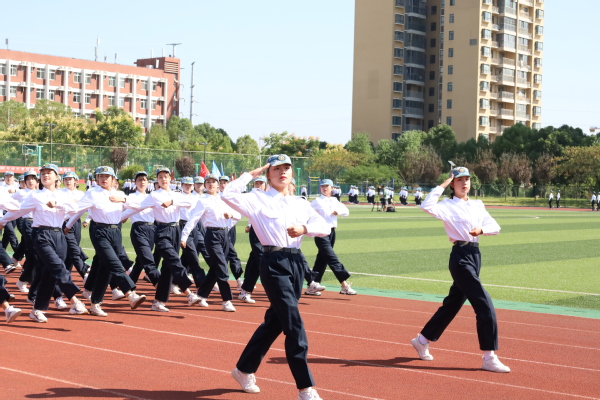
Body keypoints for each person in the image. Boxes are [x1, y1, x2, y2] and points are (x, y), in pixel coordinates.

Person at [222, 154, 330, 400]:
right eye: (276, 168)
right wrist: (251, 174)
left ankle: (243, 369)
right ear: (268, 174)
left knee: (276, 322)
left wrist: (304, 229)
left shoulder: (300, 203)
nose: (282, 172)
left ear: (292, 173)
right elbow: (227, 194)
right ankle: (305, 388)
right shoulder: (256, 198)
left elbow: (324, 227)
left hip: (296, 263)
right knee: (294, 323)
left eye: (286, 168)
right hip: (272, 262)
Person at [412, 166, 509, 373]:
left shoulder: (477, 204)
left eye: (467, 179)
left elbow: (495, 227)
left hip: (475, 254)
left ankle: (422, 340)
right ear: (452, 184)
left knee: (453, 304)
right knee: (484, 305)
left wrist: (482, 229)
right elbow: (426, 205)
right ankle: (489, 357)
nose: (464, 183)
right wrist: (443, 183)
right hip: (460, 257)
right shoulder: (446, 205)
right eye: (459, 180)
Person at [0, 164, 89, 323]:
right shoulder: (35, 195)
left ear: (56, 177)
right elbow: (20, 210)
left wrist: (58, 204)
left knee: (50, 275)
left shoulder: (63, 195)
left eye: (49, 173)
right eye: (43, 173)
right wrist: (2, 221)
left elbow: (75, 209)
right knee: (58, 267)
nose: (45, 175)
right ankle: (74, 300)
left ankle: (36, 310)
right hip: (41, 235)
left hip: (59, 235)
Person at [65, 166, 146, 317]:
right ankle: (130, 293)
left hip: (116, 232)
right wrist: (68, 225)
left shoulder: (120, 194)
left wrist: (124, 200)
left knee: (105, 269)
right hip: (99, 232)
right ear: (96, 178)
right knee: (114, 263)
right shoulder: (92, 193)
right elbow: (78, 209)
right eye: (100, 176)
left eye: (107, 176)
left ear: (113, 179)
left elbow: (140, 206)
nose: (104, 179)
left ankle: (95, 304)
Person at [122, 167, 202, 312]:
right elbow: (138, 207)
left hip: (176, 230)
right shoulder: (154, 195)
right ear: (157, 181)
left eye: (166, 176)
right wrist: (120, 217)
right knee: (174, 260)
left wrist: (172, 202)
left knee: (167, 268)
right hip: (162, 231)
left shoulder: (176, 194)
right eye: (160, 177)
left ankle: (158, 302)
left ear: (170, 178)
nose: (163, 179)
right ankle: (189, 293)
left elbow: (189, 203)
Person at [181, 174, 240, 312]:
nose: (211, 184)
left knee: (215, 268)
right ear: (205, 185)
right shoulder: (202, 201)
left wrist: (231, 216)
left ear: (218, 184)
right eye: (208, 182)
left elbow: (237, 215)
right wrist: (184, 236)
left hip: (224, 235)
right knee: (222, 267)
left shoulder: (224, 199)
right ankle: (226, 300)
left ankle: (201, 295)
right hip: (212, 235)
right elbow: (193, 220)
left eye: (214, 182)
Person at [309, 179, 356, 295]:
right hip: (321, 232)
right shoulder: (317, 201)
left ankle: (312, 285)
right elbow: (306, 212)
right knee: (331, 258)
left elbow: (346, 212)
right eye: (322, 186)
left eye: (327, 186)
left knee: (322, 259)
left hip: (331, 232)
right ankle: (344, 285)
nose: (325, 188)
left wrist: (338, 211)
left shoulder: (334, 200)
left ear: (332, 188)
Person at [121, 171, 161, 287]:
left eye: (144, 180)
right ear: (135, 183)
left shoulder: (151, 196)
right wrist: (123, 217)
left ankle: (128, 286)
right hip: (138, 228)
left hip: (152, 228)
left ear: (148, 182)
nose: (142, 182)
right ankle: (158, 282)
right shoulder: (131, 197)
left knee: (140, 261)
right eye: (139, 180)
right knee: (147, 258)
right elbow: (124, 214)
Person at [239, 176, 268, 304]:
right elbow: (243, 210)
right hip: (255, 231)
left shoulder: (268, 197)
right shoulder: (250, 196)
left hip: (266, 231)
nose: (259, 185)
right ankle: (274, 288)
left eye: (261, 183)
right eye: (257, 183)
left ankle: (245, 291)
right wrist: (250, 225)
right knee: (263, 258)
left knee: (255, 261)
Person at [219, 176, 244, 290]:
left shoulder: (232, 197)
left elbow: (240, 212)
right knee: (230, 254)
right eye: (221, 183)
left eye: (225, 182)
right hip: (219, 230)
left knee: (229, 254)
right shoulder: (216, 197)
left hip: (231, 228)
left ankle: (237, 279)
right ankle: (238, 280)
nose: (223, 185)